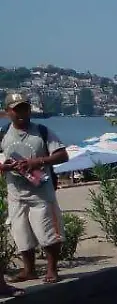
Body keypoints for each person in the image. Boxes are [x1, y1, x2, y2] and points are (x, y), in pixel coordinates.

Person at [0, 92, 69, 289]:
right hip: (15, 192)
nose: (21, 113)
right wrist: (4, 167)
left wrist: (37, 162)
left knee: (48, 232)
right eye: (16, 109)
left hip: (41, 192)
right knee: (21, 233)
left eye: (25, 108)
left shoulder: (42, 132)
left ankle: (52, 269)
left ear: (30, 110)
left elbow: (62, 155)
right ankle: (29, 270)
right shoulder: (4, 134)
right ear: (7, 112)